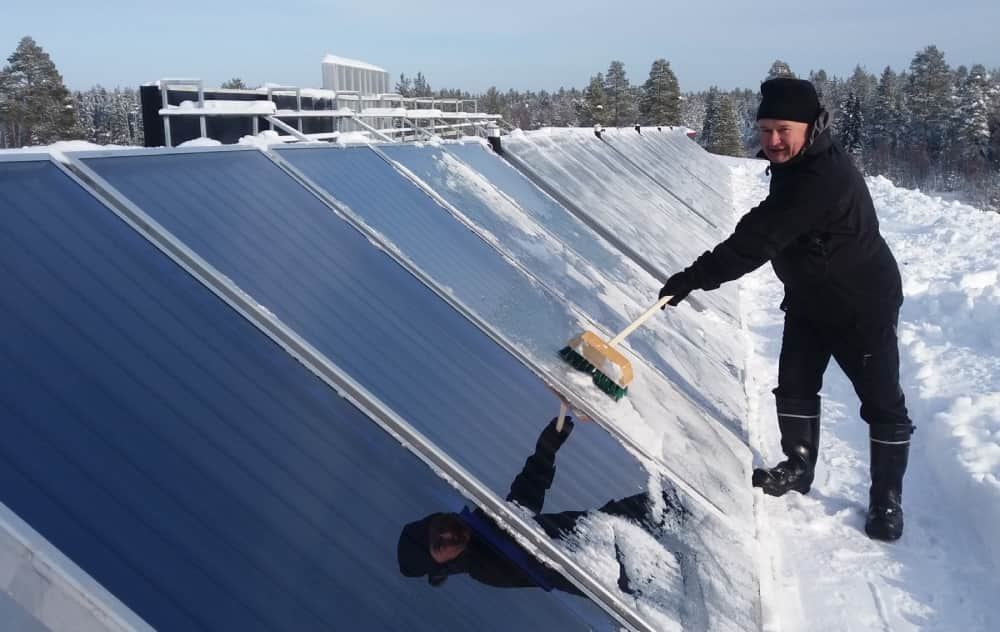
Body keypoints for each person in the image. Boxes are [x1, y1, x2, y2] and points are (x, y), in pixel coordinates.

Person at [658, 77, 914, 541]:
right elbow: (769, 223)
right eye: (765, 129)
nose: (772, 140)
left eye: (783, 130)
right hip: (809, 296)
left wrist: (694, 278)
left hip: (862, 303)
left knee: (882, 402)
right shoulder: (797, 166)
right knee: (795, 384)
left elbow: (759, 239)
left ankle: (887, 500)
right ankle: (798, 467)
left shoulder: (822, 178)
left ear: (812, 127)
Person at [397, 417, 685, 592]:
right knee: (688, 517)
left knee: (680, 507)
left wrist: (546, 450)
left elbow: (523, 500)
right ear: (445, 564)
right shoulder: (485, 565)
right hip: (626, 563)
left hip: (613, 531)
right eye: (439, 545)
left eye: (439, 527)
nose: (447, 534)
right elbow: (520, 518)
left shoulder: (483, 532)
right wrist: (545, 451)